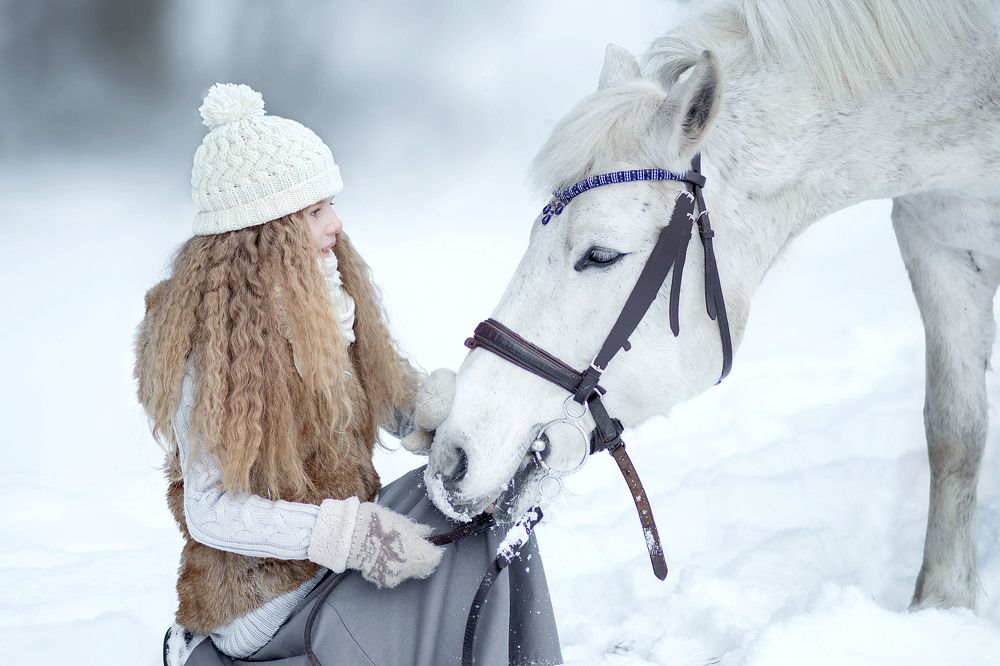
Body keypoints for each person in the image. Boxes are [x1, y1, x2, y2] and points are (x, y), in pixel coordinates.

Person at [134, 83, 562, 666]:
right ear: (267, 233)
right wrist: (349, 537)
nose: (336, 223)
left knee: (475, 502)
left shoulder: (323, 298)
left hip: (333, 556)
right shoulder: (213, 350)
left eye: (330, 203)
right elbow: (210, 512)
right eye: (315, 211)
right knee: (451, 544)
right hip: (264, 600)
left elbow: (378, 392)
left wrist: (435, 414)